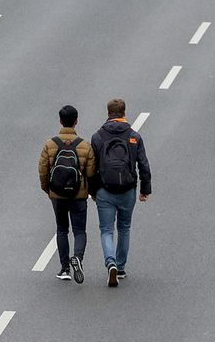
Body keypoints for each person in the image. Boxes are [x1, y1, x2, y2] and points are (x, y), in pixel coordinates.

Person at [89, 97, 151, 287]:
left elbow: (91, 167)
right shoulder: (134, 136)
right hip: (127, 190)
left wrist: (93, 191)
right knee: (124, 228)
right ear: (124, 113)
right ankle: (121, 267)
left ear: (108, 114)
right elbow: (144, 165)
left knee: (106, 230)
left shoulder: (98, 136)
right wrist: (145, 190)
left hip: (105, 191)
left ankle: (110, 262)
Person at [39, 104, 95, 283]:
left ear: (61, 121)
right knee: (80, 231)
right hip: (79, 196)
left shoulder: (50, 144)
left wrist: (47, 189)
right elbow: (91, 172)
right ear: (76, 121)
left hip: (58, 195)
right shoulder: (85, 146)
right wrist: (89, 192)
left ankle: (64, 268)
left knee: (62, 230)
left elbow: (42, 169)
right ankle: (77, 257)